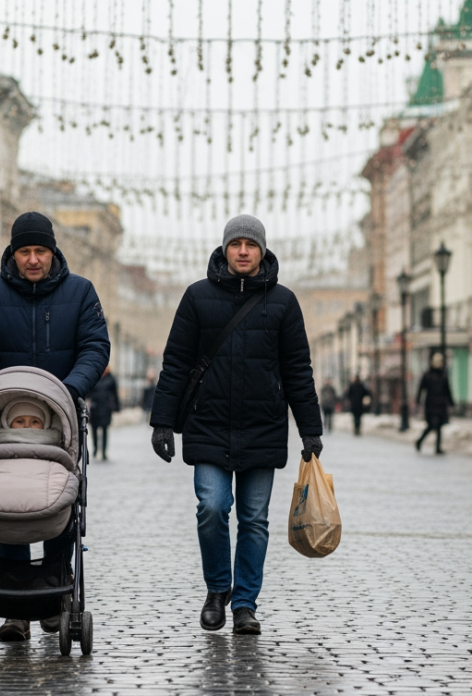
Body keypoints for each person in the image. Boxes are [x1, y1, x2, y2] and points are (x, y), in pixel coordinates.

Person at [150, 214, 322, 635]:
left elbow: (298, 369)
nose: (243, 251)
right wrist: (163, 423)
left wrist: (310, 428)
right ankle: (217, 590)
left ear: (262, 250)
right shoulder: (196, 297)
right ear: (224, 249)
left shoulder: (283, 302)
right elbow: (176, 363)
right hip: (208, 424)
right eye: (235, 244)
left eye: (251, 244)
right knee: (211, 508)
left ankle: (245, 604)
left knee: (254, 519)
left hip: (262, 425)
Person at [0, 211, 110, 642]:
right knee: (7, 503)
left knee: (59, 501)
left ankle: (55, 596)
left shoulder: (80, 293)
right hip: (6, 421)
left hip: (59, 422)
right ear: (13, 253)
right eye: (25, 251)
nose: (33, 259)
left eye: (40, 250)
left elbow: (96, 345)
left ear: (53, 251)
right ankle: (13, 605)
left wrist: (69, 390)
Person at [414, 353, 454, 454]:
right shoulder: (428, 375)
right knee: (432, 425)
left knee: (439, 426)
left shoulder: (443, 375)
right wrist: (418, 401)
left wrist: (451, 403)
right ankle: (420, 441)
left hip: (440, 404)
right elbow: (421, 388)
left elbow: (447, 390)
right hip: (431, 404)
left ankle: (436, 447)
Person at [88, 366, 120, 461]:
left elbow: (115, 394)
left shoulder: (111, 379)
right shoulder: (94, 377)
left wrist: (116, 407)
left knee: (105, 430)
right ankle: (95, 449)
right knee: (94, 429)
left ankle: (104, 451)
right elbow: (89, 391)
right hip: (95, 407)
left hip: (106, 408)